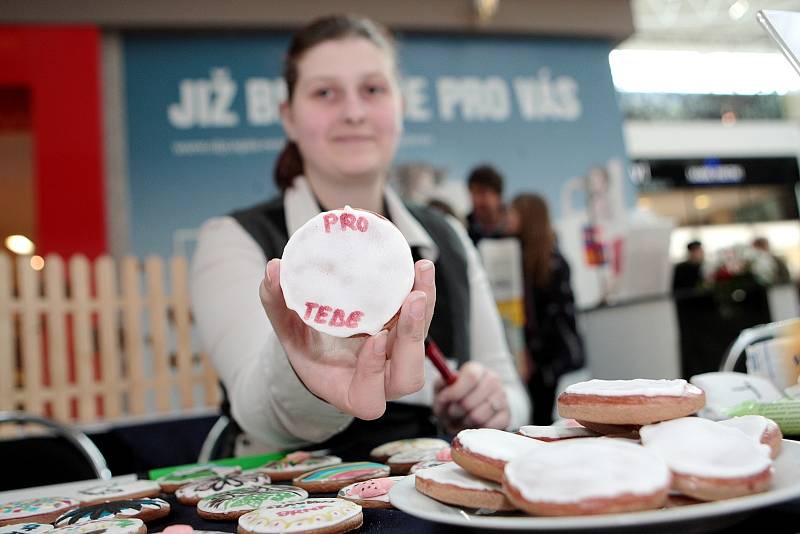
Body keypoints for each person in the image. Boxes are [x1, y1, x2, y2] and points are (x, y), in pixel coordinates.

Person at [190, 15, 529, 457]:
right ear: (289, 117)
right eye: (325, 93)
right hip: (286, 507)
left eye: (372, 89)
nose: (353, 111)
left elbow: (512, 393)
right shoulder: (234, 240)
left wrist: (492, 405)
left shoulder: (449, 240)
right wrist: (313, 371)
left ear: (401, 108)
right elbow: (257, 408)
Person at [507, 194, 584, 425]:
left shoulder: (552, 263)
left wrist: (533, 355)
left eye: (514, 213)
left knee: (546, 421)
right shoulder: (521, 258)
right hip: (535, 359)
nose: (508, 219)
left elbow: (555, 318)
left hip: (549, 362)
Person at [466, 164, 509, 245]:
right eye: (473, 193)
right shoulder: (464, 230)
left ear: (498, 196)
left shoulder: (516, 230)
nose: (476, 200)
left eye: (482, 192)